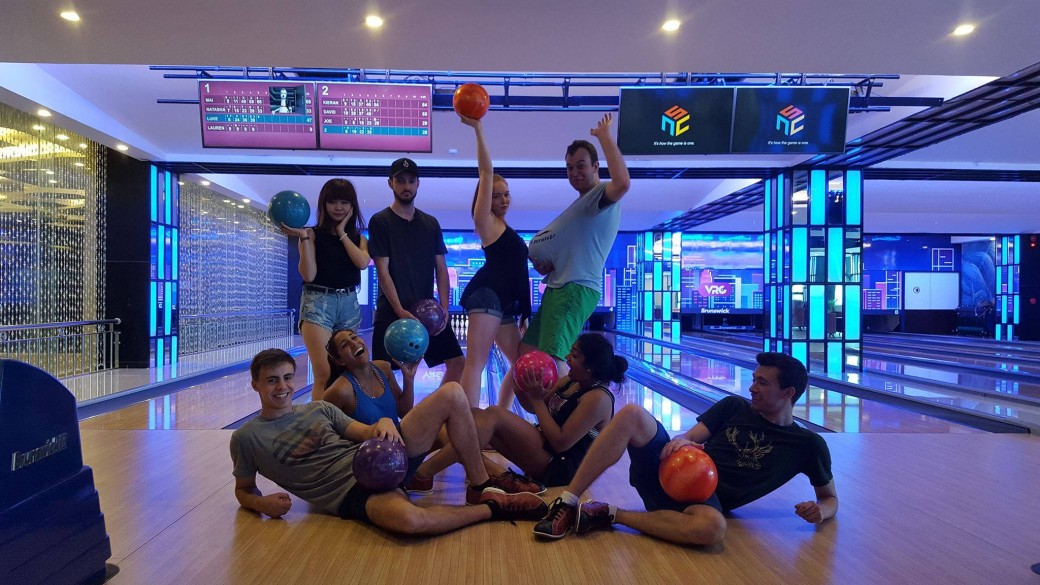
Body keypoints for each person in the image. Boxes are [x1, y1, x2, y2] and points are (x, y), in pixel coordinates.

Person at [230, 349, 548, 535]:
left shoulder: (319, 409)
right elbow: (243, 489)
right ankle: (493, 508)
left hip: (379, 457)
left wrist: (381, 423)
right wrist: (260, 504)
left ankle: (479, 486)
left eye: (287, 377)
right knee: (411, 520)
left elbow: (362, 433)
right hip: (351, 493)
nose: (282, 387)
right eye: (272, 380)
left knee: (452, 393)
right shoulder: (246, 438)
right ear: (255, 384)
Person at [533, 352, 838, 545]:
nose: (751, 388)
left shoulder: (809, 445)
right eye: (754, 379)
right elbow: (692, 436)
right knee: (632, 414)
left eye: (762, 383)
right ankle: (569, 500)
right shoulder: (733, 407)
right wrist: (682, 440)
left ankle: (609, 514)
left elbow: (829, 498)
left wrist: (821, 512)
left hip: (699, 501)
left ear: (788, 393)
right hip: (668, 469)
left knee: (713, 529)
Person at [497, 113, 631, 409]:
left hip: (575, 288)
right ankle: (524, 412)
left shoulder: (599, 196)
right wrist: (545, 262)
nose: (574, 172)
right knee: (527, 350)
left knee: (554, 357)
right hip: (559, 287)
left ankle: (558, 427)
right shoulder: (582, 204)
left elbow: (622, 183)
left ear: (596, 167)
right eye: (569, 168)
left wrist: (605, 137)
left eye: (581, 166)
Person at [412, 333, 624, 492]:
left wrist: (535, 398)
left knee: (493, 415)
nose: (567, 357)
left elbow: (561, 442)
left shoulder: (598, 398)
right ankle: (413, 459)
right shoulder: (571, 381)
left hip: (559, 468)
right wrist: (519, 385)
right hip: (544, 446)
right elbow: (533, 407)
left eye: (574, 355)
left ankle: (422, 474)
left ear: (591, 367)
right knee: (473, 417)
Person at [456, 115, 531, 407]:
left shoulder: (506, 228)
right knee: (475, 363)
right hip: (486, 296)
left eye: (506, 194)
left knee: (521, 362)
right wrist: (478, 129)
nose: (503, 199)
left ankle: (500, 414)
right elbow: (487, 171)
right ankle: (468, 423)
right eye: (497, 195)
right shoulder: (485, 221)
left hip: (504, 303)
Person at [368, 158, 465, 383]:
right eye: (400, 181)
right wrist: (400, 310)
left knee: (457, 362)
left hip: (427, 313)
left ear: (418, 184)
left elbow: (441, 268)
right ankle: (392, 418)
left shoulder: (430, 223)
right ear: (390, 183)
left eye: (411, 181)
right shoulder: (381, 221)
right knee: (382, 372)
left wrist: (443, 307)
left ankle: (436, 411)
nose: (406, 186)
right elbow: (383, 271)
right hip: (391, 311)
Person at [280, 178, 369, 401]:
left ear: (352, 206)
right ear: (323, 204)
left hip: (349, 304)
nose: (338, 207)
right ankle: (321, 427)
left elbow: (362, 263)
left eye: (344, 202)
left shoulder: (360, 238)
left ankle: (343, 422)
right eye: (332, 202)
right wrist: (304, 239)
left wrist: (341, 232)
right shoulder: (310, 234)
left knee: (347, 371)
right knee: (324, 373)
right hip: (317, 303)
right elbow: (308, 274)